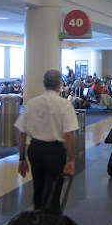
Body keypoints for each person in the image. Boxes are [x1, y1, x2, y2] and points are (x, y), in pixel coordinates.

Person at [15, 69, 78, 212]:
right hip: (54, 151)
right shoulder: (64, 104)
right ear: (60, 84)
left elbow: (22, 133)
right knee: (53, 189)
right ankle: (50, 223)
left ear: (44, 84)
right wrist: (71, 159)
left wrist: (22, 158)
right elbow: (68, 134)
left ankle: (37, 217)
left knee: (38, 186)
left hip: (35, 150)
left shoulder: (32, 103)